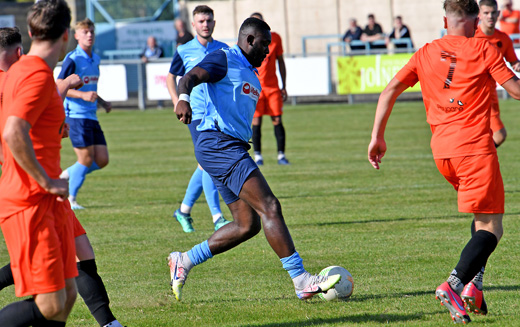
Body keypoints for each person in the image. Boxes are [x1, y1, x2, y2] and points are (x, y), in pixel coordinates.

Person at [368, 0, 520, 323]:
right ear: (476, 19)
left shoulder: (425, 52)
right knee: (493, 227)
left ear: (444, 19)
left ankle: (473, 288)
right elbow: (516, 91)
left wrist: (377, 137)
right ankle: (454, 284)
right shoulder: (483, 49)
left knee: (481, 218)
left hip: (442, 153)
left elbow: (390, 89)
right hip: (475, 149)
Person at [169, 17, 341, 302]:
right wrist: (183, 98)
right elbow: (190, 76)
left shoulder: (249, 69)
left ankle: (183, 260)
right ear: (249, 40)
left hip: (229, 147)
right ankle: (301, 280)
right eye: (264, 45)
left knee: (247, 224)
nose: (267, 51)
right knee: (270, 205)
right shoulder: (224, 58)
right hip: (219, 144)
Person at [0, 26, 124, 327]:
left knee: (78, 257)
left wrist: (55, 127)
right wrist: (66, 83)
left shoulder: (19, 80)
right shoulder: (12, 82)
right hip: (31, 190)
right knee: (51, 291)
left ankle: (108, 323)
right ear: (20, 52)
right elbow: (13, 131)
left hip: (48, 189)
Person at [0, 1, 78, 325]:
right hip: (30, 200)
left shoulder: (23, 70)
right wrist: (45, 181)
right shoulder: (36, 75)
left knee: (68, 296)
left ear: (30, 33)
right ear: (66, 35)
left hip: (48, 199)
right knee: (49, 304)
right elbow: (13, 130)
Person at [166, 5, 230, 233]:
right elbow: (171, 77)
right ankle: (217, 218)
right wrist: (177, 101)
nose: (205, 24)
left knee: (203, 165)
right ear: (193, 24)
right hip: (196, 114)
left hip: (219, 115)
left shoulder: (223, 50)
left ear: (214, 22)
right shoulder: (184, 50)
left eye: (209, 20)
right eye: (201, 21)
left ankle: (183, 211)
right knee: (208, 163)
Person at [57, 18, 112, 210]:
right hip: (76, 115)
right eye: (85, 32)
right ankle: (70, 199)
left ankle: (68, 174)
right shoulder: (73, 59)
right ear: (76, 36)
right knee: (86, 159)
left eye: (92, 32)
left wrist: (102, 102)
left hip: (91, 115)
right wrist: (81, 94)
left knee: (102, 159)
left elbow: (90, 87)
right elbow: (59, 85)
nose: (89, 35)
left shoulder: (95, 58)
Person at [476, 0, 520, 147]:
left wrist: (517, 65)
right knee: (499, 134)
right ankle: (478, 161)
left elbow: (514, 62)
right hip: (474, 93)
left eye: (493, 12)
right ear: (479, 15)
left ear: (498, 14)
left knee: (489, 135)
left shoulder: (503, 39)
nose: (490, 16)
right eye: (486, 13)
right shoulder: (471, 37)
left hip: (491, 93)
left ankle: (478, 162)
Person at [250, 12, 290, 166]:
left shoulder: (275, 38)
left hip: (272, 87)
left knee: (277, 119)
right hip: (255, 88)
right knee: (256, 121)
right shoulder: (249, 41)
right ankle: (258, 156)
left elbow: (281, 62)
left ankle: (281, 155)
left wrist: (284, 85)